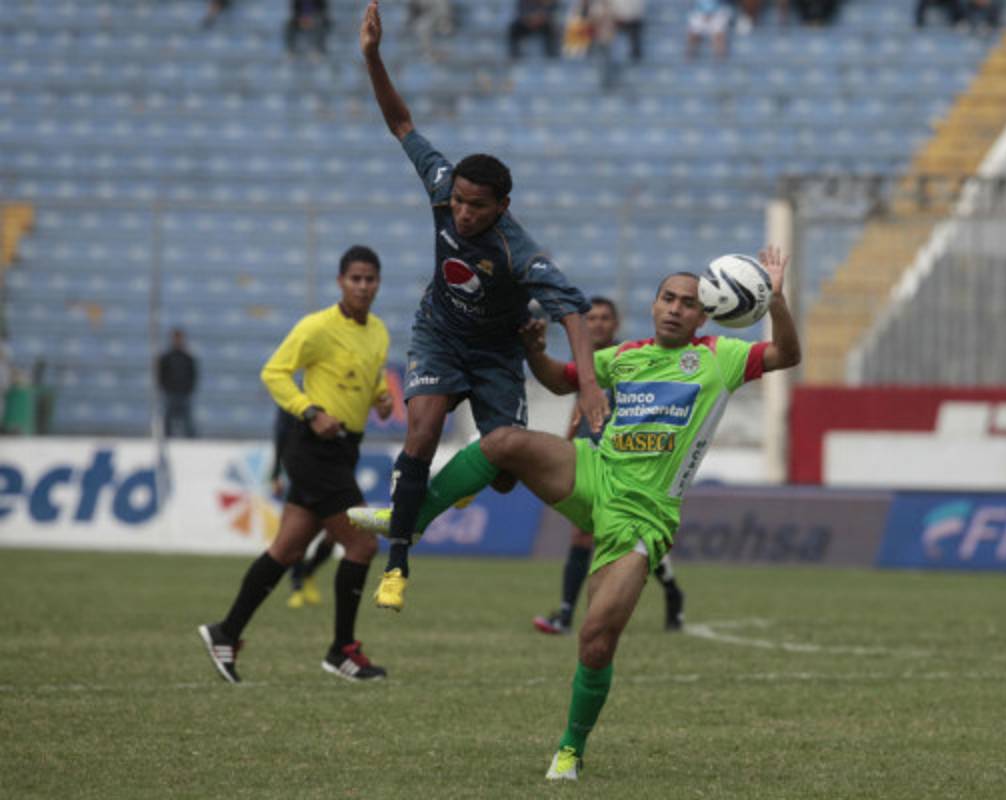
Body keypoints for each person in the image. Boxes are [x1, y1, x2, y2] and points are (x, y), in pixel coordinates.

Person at [351, 247, 800, 780]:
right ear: (654, 305)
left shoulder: (719, 358)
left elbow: (787, 356)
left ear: (706, 314)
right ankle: (412, 522)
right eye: (667, 299)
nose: (676, 309)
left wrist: (777, 301)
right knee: (501, 442)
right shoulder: (625, 355)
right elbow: (563, 380)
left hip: (643, 516)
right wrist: (536, 351)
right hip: (593, 472)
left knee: (595, 638)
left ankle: (570, 748)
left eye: (688, 303)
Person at [361, 0, 609, 611]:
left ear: (501, 205)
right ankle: (397, 563)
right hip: (440, 334)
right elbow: (401, 124)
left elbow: (573, 308)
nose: (463, 213)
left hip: (497, 353)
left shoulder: (519, 251)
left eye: (477, 206)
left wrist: (588, 384)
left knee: (502, 472)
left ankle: (461, 484)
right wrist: (372, 56)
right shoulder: (444, 186)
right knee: (421, 432)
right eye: (461, 203)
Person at [197, 245, 393, 684]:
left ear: (379, 283)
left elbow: (373, 375)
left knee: (286, 550)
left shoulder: (379, 331)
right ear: (340, 281)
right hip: (313, 449)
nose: (363, 286)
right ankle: (342, 650)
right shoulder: (317, 327)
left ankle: (226, 632)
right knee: (362, 545)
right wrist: (309, 411)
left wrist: (380, 397)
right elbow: (275, 372)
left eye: (370, 279)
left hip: (345, 449)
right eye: (355, 278)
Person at [531, 297, 686, 636]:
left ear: (616, 325)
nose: (598, 324)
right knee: (587, 532)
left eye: (604, 318)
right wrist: (567, 443)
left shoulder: (630, 360)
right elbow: (578, 406)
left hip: (624, 461)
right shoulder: (584, 363)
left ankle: (670, 591)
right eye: (592, 319)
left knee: (627, 536)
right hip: (589, 454)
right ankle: (568, 614)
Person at [267, 406, 337, 609]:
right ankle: (297, 587)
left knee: (334, 534)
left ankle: (308, 572)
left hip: (333, 473)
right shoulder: (293, 399)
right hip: (301, 471)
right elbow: (280, 435)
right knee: (297, 535)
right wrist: (276, 474)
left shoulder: (332, 393)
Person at [157, 328, 199, 438]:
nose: (177, 341)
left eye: (179, 338)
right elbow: (160, 375)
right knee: (167, 419)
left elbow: (193, 375)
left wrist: (189, 389)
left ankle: (191, 442)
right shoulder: (166, 357)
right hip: (170, 393)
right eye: (175, 338)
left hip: (184, 394)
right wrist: (166, 388)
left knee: (188, 421)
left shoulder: (188, 357)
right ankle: (166, 439)